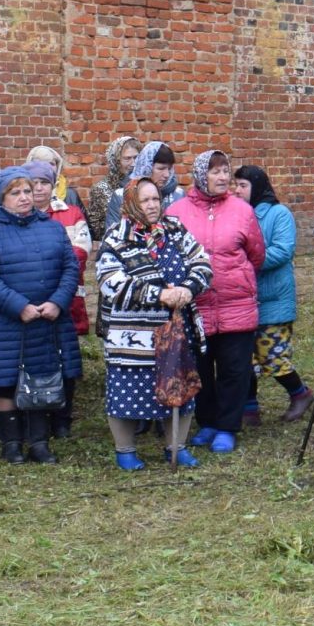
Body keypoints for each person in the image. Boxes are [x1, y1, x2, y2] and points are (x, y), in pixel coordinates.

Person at [96, 175, 212, 469]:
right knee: (127, 388)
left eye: (156, 199)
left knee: (180, 383)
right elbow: (112, 282)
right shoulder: (116, 237)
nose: (152, 205)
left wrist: (188, 289)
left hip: (175, 327)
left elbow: (202, 262)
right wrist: (159, 294)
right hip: (131, 334)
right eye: (145, 200)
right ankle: (125, 451)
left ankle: (176, 446)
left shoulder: (174, 230)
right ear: (132, 202)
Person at [0, 165, 82, 465]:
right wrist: (18, 306)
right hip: (8, 324)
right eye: (15, 192)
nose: (24, 197)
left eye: (27, 191)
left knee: (42, 380)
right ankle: (11, 443)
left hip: (47, 321)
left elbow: (70, 268)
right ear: (1, 197)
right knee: (7, 383)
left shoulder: (52, 228)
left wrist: (57, 302)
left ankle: (39, 442)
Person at [167, 150, 265, 455]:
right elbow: (170, 258)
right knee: (200, 370)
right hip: (195, 306)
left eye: (226, 171)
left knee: (235, 370)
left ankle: (227, 427)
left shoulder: (242, 210)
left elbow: (256, 254)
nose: (223, 177)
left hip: (236, 304)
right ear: (200, 175)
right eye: (215, 172)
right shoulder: (176, 212)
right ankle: (207, 421)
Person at [233, 164, 312, 425]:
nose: (237, 190)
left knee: (272, 356)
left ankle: (300, 393)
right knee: (245, 358)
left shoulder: (279, 214)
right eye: (237, 185)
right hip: (243, 299)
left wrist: (245, 261)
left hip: (273, 299)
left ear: (258, 186)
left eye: (243, 185)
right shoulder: (237, 214)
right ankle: (249, 408)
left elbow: (283, 250)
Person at [25, 147, 92, 439]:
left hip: (64, 298)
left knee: (67, 357)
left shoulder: (71, 213)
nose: (39, 189)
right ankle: (36, 409)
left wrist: (48, 276)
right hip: (29, 300)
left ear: (54, 185)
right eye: (34, 183)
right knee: (37, 357)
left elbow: (79, 252)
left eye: (45, 183)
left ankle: (63, 415)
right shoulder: (18, 214)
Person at [92, 135, 142, 236]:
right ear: (116, 161)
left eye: (136, 157)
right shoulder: (101, 189)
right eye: (127, 158)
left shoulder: (145, 185)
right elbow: (95, 227)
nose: (133, 163)